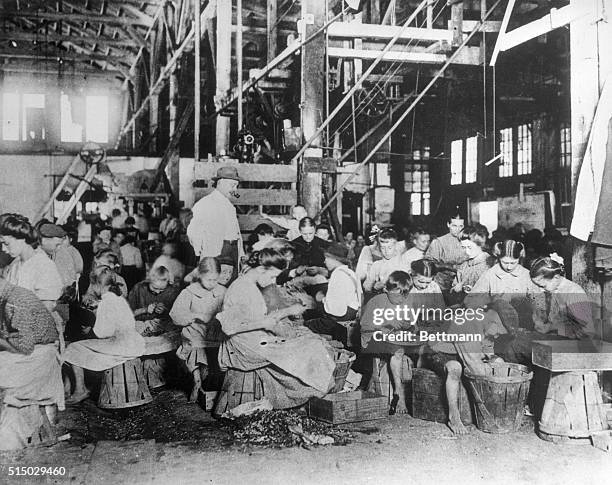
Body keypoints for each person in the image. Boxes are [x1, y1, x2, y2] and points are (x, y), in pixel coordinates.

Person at [216, 248, 335, 409]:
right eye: (272, 276)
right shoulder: (241, 288)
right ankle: (310, 394)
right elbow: (228, 327)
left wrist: (288, 311)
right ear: (261, 269)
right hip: (244, 345)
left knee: (309, 340)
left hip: (254, 338)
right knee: (310, 347)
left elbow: (256, 319)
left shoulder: (250, 285)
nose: (273, 281)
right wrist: (265, 324)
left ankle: (306, 394)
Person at [63, 267, 145, 404]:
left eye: (91, 284)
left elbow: (102, 333)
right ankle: (77, 388)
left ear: (97, 285)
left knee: (73, 347)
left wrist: (89, 331)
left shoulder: (106, 302)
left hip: (120, 345)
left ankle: (80, 390)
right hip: (133, 341)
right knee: (80, 347)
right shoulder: (117, 298)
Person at [0, 276, 64, 450]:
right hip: (37, 352)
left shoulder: (15, 301)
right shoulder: (11, 295)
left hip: (41, 356)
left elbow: (25, 346)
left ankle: (11, 435)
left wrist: (2, 340)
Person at [170, 258, 226, 401]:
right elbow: (175, 316)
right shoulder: (189, 292)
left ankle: (207, 383)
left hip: (215, 333)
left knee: (218, 350)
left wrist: (219, 319)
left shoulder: (223, 291)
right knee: (196, 347)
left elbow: (231, 313)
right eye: (208, 280)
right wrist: (196, 316)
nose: (212, 284)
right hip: (194, 332)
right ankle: (197, 381)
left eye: (215, 280)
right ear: (200, 275)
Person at [361, 271, 416, 414]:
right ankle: (399, 393)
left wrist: (409, 325)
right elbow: (364, 326)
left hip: (392, 338)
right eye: (397, 295)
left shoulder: (405, 302)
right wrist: (387, 322)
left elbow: (412, 323)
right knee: (398, 350)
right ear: (387, 290)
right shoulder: (377, 301)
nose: (401, 299)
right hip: (371, 339)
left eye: (405, 295)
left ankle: (414, 396)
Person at [187, 166, 244, 280]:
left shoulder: (229, 205)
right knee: (214, 281)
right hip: (216, 251)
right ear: (220, 183)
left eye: (236, 186)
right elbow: (193, 232)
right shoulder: (205, 204)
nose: (235, 190)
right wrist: (202, 253)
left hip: (232, 249)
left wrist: (241, 252)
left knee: (231, 280)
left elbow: (236, 232)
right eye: (232, 185)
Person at [304, 242, 362, 347]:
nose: (325, 261)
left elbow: (335, 310)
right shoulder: (349, 271)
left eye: (327, 258)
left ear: (335, 259)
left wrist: (322, 300)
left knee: (305, 325)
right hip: (352, 312)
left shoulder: (338, 274)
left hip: (341, 317)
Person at [1, 215, 63, 311]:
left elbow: (46, 309)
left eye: (6, 243)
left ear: (21, 239)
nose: (3, 249)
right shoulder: (16, 264)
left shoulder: (44, 265)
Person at [529, 256, 595, 339]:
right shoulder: (551, 290)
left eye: (543, 286)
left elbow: (588, 332)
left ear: (556, 277)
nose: (540, 289)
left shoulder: (573, 293)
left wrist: (552, 327)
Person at [464, 240, 536, 310]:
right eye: (505, 262)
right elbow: (470, 300)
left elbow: (538, 300)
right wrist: (490, 301)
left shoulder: (526, 274)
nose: (509, 267)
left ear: (519, 259)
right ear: (498, 258)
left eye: (513, 263)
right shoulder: (490, 274)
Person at [128, 266, 181, 336]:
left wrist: (165, 310)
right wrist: (145, 310)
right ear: (149, 280)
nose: (157, 292)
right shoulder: (138, 288)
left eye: (162, 289)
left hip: (161, 327)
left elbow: (177, 317)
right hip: (139, 324)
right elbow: (127, 314)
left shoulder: (171, 291)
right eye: (154, 288)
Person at [425, 214, 468, 295]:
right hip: (443, 285)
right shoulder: (438, 242)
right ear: (448, 224)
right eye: (454, 226)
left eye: (461, 226)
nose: (458, 229)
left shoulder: (468, 241)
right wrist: (448, 266)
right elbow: (428, 263)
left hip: (463, 283)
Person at [450, 225, 494, 302]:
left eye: (469, 247)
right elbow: (453, 291)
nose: (467, 252)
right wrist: (455, 290)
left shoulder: (490, 264)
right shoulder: (464, 266)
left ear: (480, 244)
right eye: (464, 247)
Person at [363, 228, 405, 294]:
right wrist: (372, 286)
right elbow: (367, 287)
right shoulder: (376, 265)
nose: (386, 251)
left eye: (390, 248)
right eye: (383, 248)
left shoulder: (402, 265)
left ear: (396, 245)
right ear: (379, 247)